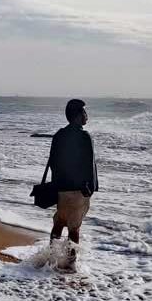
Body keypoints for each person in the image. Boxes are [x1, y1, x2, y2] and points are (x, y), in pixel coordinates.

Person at [46, 98, 98, 268]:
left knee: (59, 222)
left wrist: (57, 184)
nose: (86, 116)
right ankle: (70, 263)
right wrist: (89, 188)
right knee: (74, 228)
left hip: (62, 188)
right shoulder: (84, 136)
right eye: (84, 112)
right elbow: (89, 164)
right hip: (79, 190)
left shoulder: (59, 134)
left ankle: (51, 257)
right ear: (77, 115)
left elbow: (53, 162)